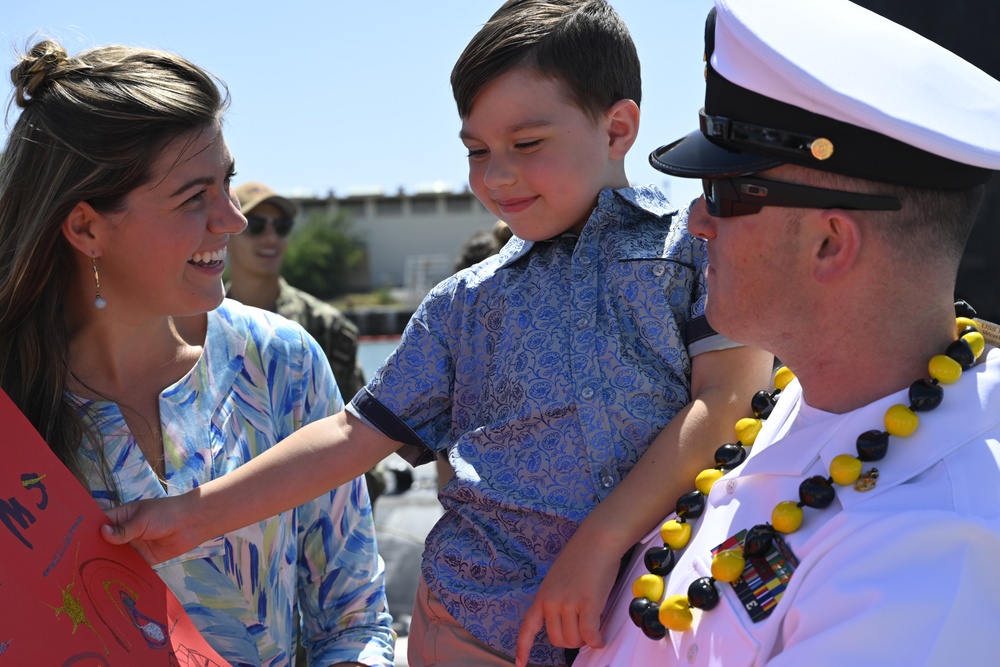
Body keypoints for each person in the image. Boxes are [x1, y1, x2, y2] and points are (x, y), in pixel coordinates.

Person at [102, 2, 773, 665]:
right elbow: (351, 436)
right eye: (477, 151)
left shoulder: (695, 247)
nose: (496, 175)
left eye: (527, 144)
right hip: (475, 629)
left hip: (658, 623)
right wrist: (189, 514)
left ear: (618, 127)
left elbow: (728, 399)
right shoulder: (463, 301)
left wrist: (599, 542)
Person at [568, 0, 1000, 665]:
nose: (696, 220)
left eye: (723, 192)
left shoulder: (928, 554)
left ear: (830, 242)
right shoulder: (806, 394)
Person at [0, 40, 394, 666]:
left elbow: (353, 620)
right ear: (86, 228)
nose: (233, 220)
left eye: (228, 182)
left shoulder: (280, 362)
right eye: (194, 197)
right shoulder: (10, 408)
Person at [227, 181, 387, 507]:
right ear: (228, 230)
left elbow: (355, 433)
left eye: (281, 227)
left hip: (311, 511)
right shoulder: (198, 321)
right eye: (255, 226)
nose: (271, 237)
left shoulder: (324, 327)